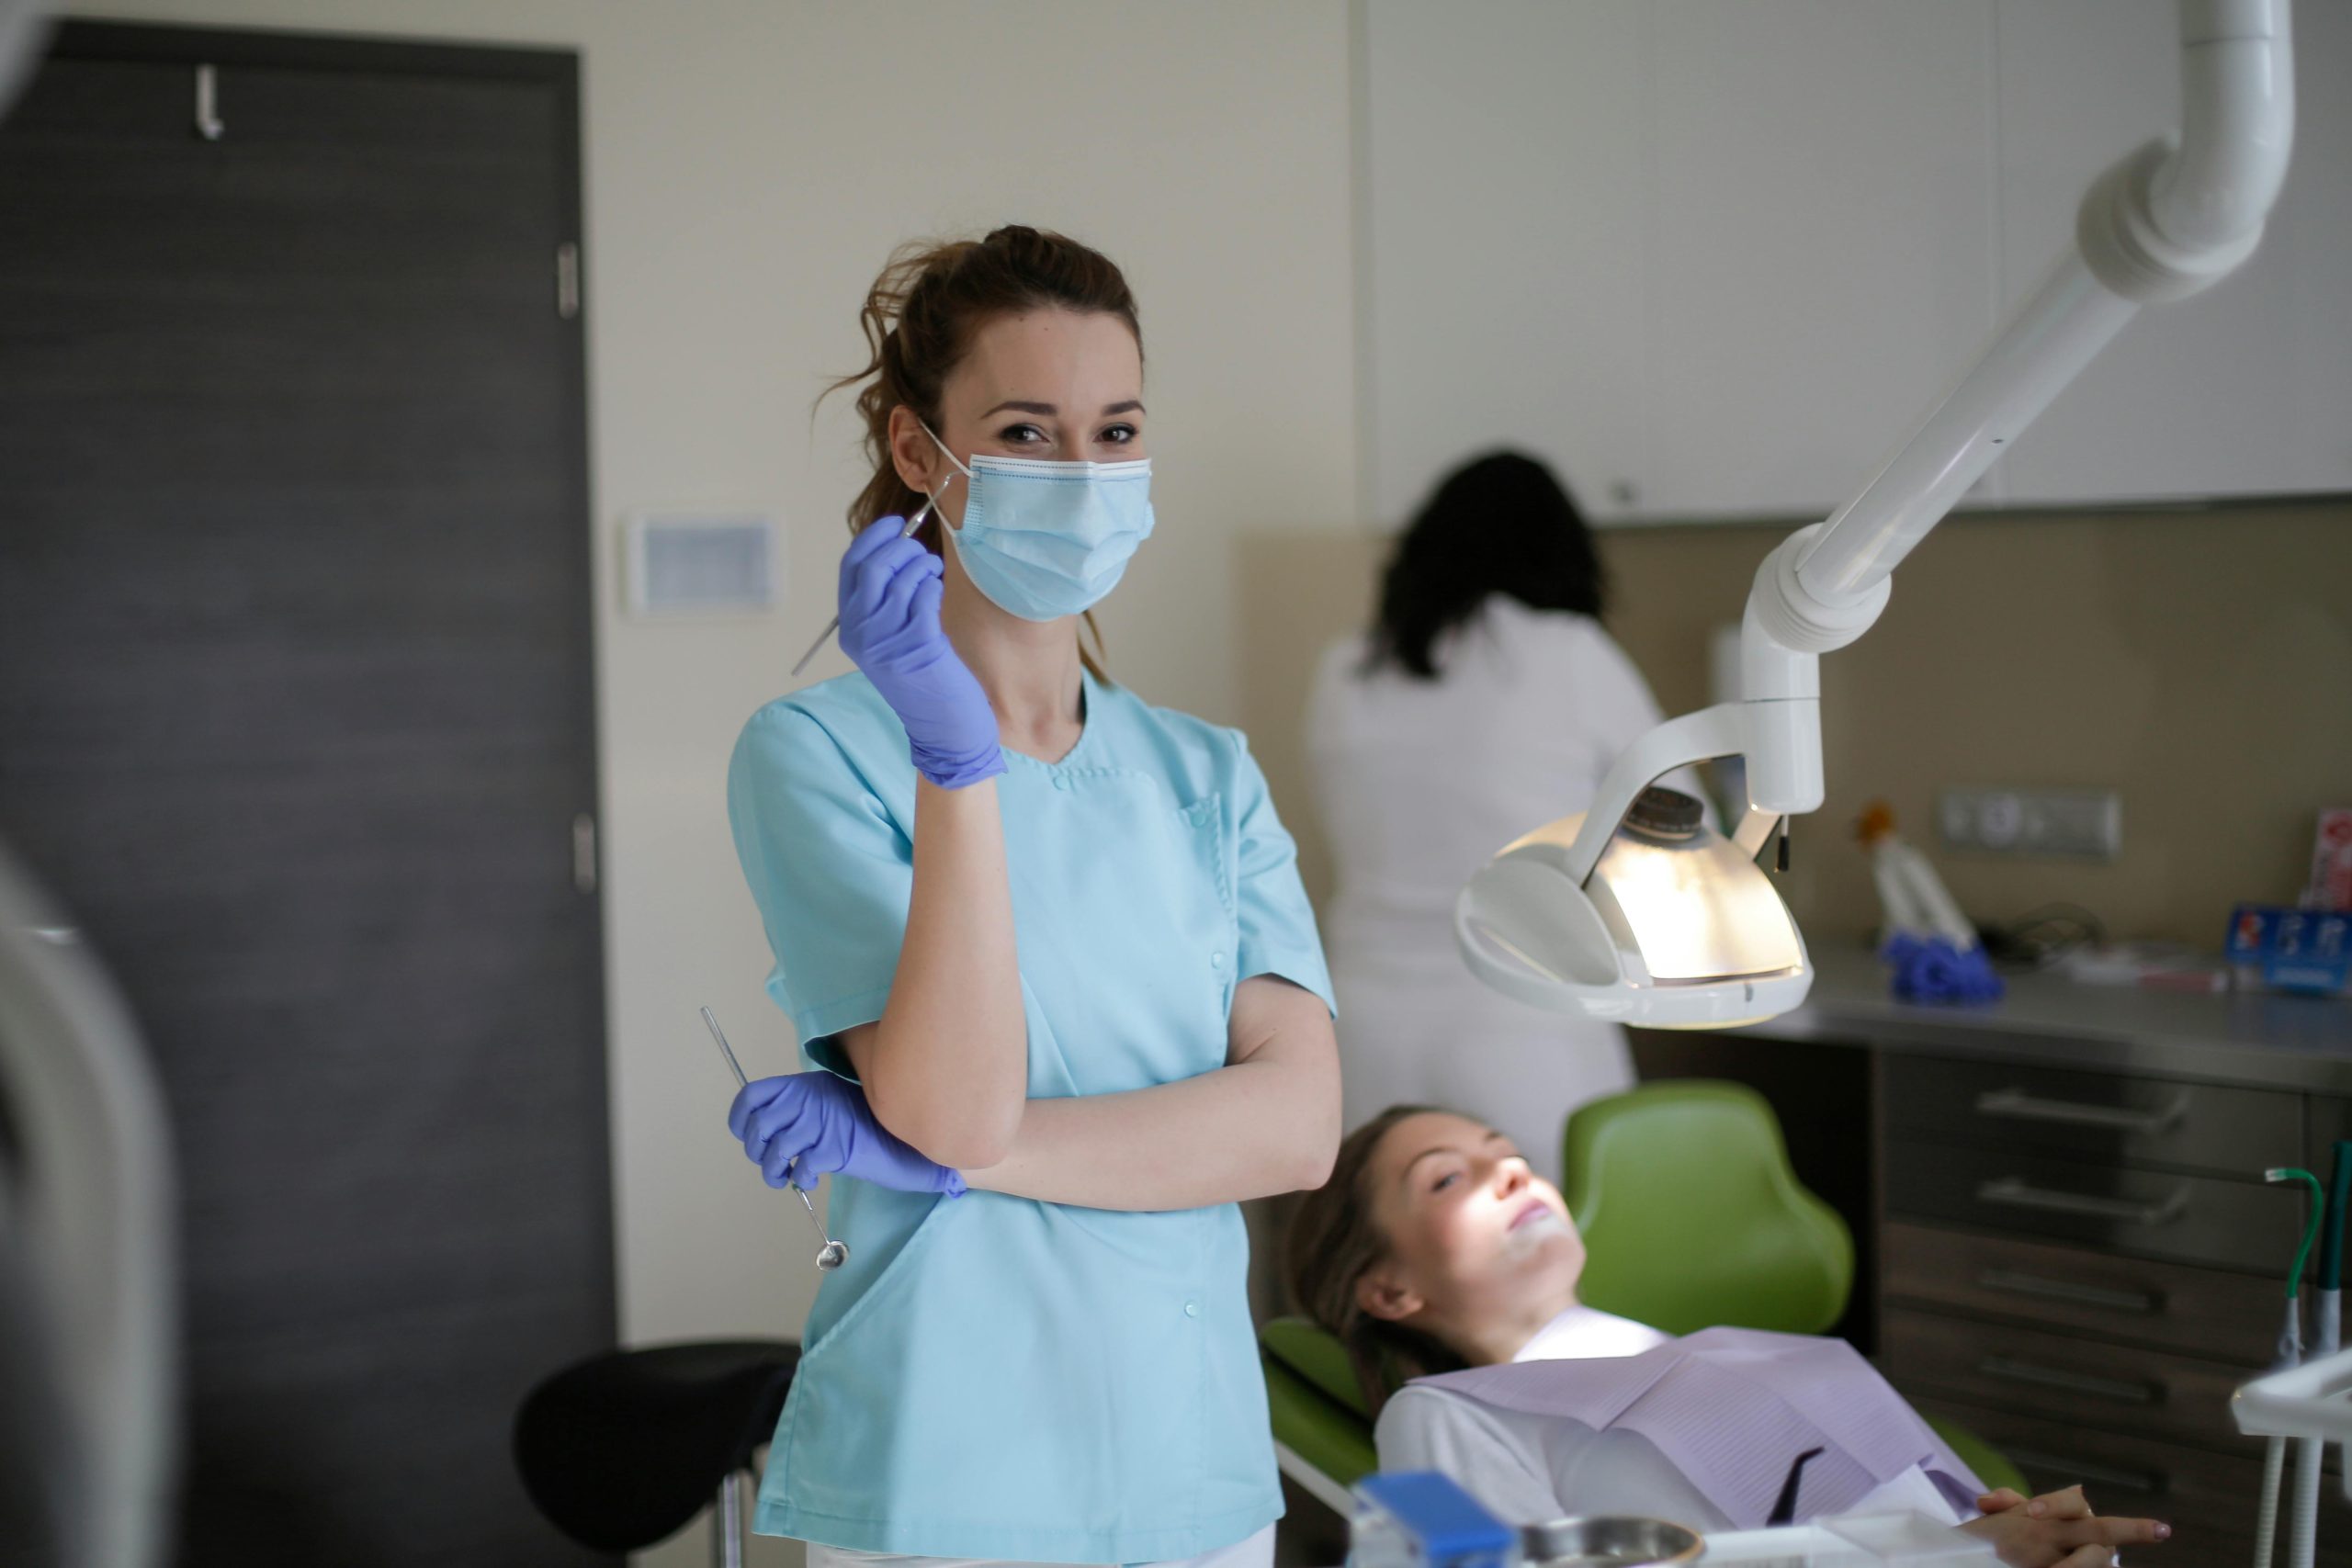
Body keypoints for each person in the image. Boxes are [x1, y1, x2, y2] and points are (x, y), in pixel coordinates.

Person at [722, 227, 1341, 1568]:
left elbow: (1295, 1129)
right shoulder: (818, 753)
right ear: (918, 452)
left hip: (1194, 1465)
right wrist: (955, 762)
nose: (1081, 472)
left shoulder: (1205, 774)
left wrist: (942, 1159)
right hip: (948, 1466)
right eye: (1025, 429)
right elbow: (958, 1098)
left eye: (1115, 431)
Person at [1283, 1107, 2174, 1568]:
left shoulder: (1679, 1353)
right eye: (1446, 1179)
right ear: (1386, 1289)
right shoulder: (1433, 1419)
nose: (1509, 1168)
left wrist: (2023, 1544)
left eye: (1505, 1149)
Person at [1306, 454, 1689, 1182]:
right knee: (1553, 1272)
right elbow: (1680, 831)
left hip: (1364, 1034)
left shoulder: (1344, 671)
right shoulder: (1571, 655)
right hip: (1524, 1026)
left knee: (1387, 1275)